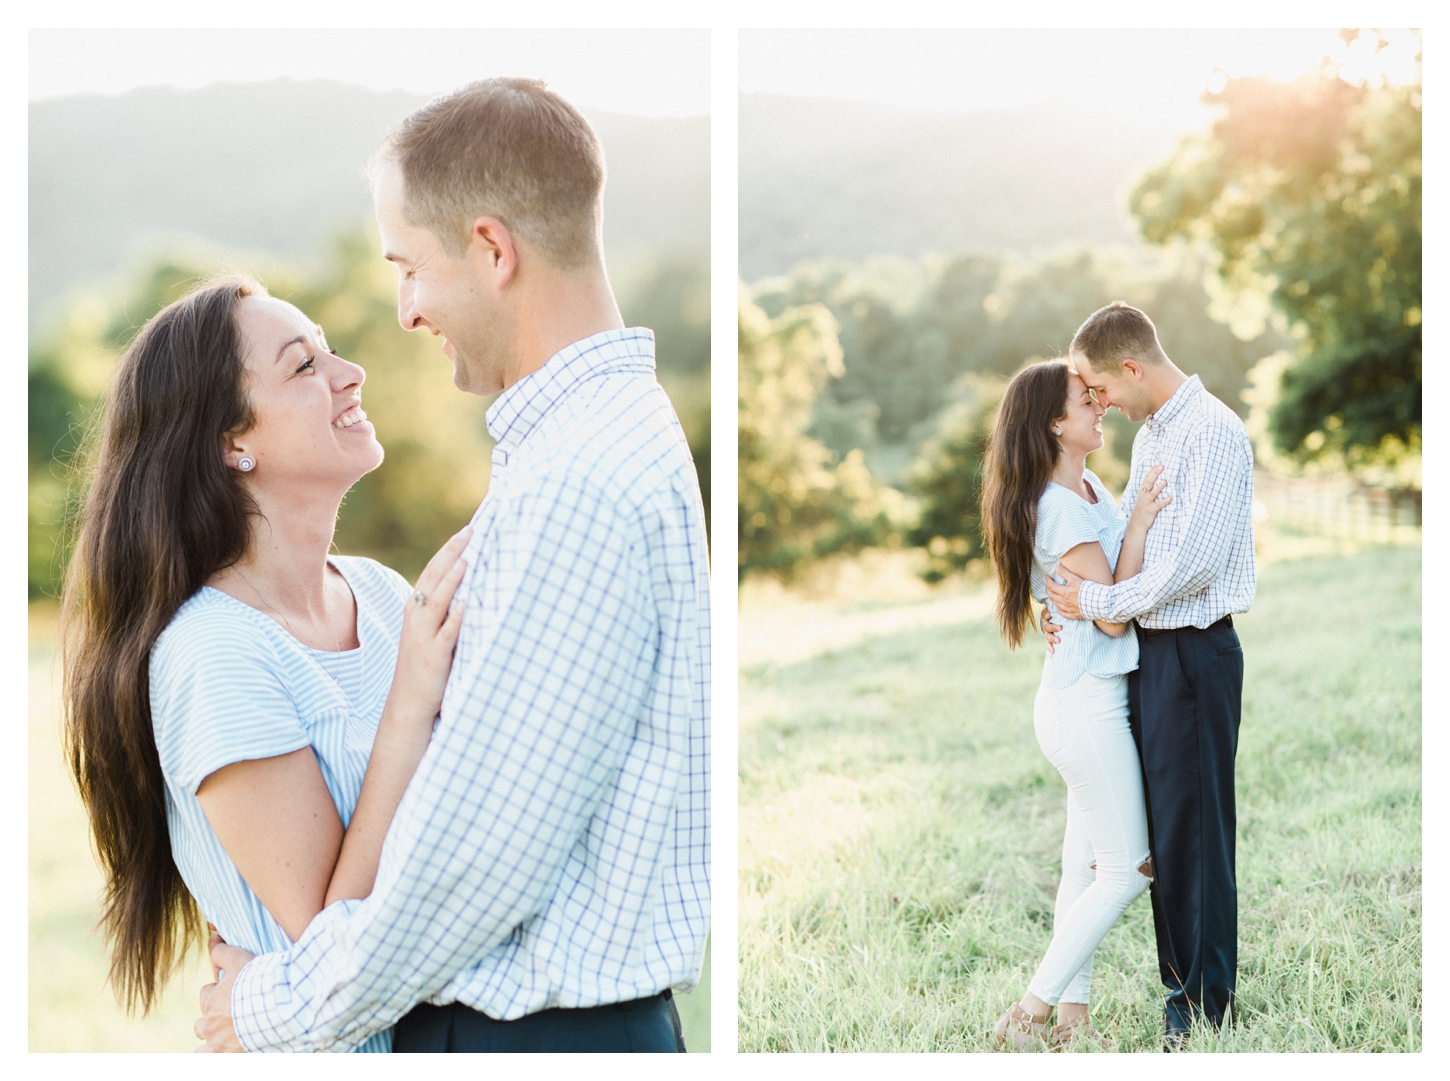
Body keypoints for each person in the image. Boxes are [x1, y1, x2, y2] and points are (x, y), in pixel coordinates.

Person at [194, 78, 711, 1054]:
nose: (402, 312)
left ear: (491, 249)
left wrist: (269, 1007)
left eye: (408, 267)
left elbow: (477, 863)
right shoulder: (583, 445)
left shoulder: (577, 477)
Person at [61, 274, 473, 1054]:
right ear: (231, 442)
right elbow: (332, 947)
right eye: (302, 365)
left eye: (329, 350)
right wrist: (413, 700)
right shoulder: (215, 652)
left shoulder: (387, 599)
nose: (349, 374)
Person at [1044, 301, 1255, 1048]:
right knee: (1167, 834)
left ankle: (1200, 1011)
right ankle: (1182, 990)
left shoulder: (1215, 433)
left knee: (1195, 832)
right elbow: (1117, 531)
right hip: (1149, 654)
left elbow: (1187, 566)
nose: (1101, 403)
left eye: (1102, 389)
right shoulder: (1158, 436)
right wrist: (1064, 605)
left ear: (1132, 368)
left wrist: (1097, 600)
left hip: (1195, 651)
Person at [981, 358, 1171, 1050]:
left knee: (1083, 868)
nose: (1099, 405)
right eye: (1084, 399)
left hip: (1086, 698)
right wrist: (1144, 522)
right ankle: (1029, 1013)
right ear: (1055, 424)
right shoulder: (1057, 506)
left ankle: (1072, 1018)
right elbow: (1115, 615)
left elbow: (1100, 595)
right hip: (1086, 709)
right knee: (1129, 868)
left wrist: (1131, 521)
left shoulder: (1085, 485)